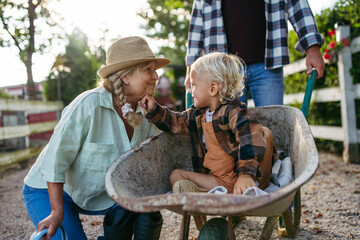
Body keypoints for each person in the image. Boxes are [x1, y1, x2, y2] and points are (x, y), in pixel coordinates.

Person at [22, 36, 170, 240]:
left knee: (147, 212)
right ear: (125, 77)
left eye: (155, 70)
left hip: (102, 194)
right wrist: (56, 212)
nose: (156, 76)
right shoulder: (88, 105)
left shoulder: (147, 113)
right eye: (149, 70)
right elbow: (55, 159)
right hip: (50, 192)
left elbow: (151, 163)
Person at [141, 52, 277, 194]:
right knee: (176, 176)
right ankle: (207, 196)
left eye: (194, 85)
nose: (191, 91)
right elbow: (176, 122)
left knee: (264, 132)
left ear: (212, 89)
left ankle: (235, 188)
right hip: (217, 180)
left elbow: (249, 134)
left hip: (239, 180)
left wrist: (245, 174)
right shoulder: (198, 113)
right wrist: (154, 109)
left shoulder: (231, 111)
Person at [185, 0, 325, 107]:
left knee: (272, 127)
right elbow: (196, 29)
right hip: (222, 73)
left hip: (268, 65)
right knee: (224, 130)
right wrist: (190, 70)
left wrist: (312, 47)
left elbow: (298, 6)